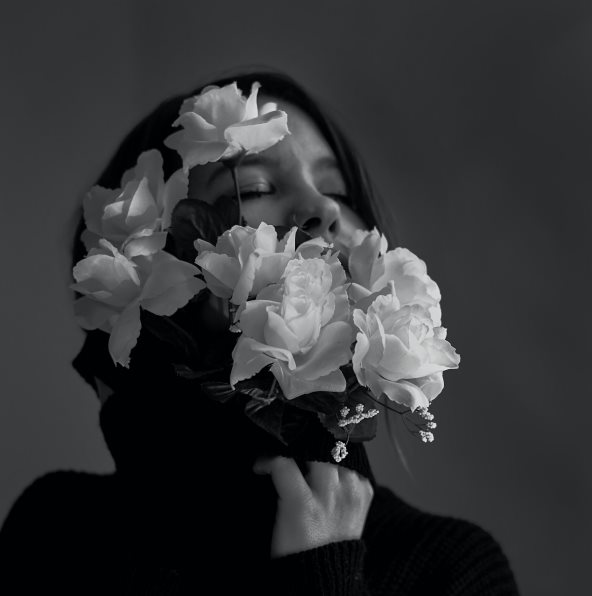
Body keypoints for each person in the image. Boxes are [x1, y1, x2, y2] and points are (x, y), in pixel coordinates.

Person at [0, 69, 520, 595]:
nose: (325, 208)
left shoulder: (450, 567)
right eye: (254, 187)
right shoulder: (59, 529)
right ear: (154, 254)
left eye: (337, 190)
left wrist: (323, 576)